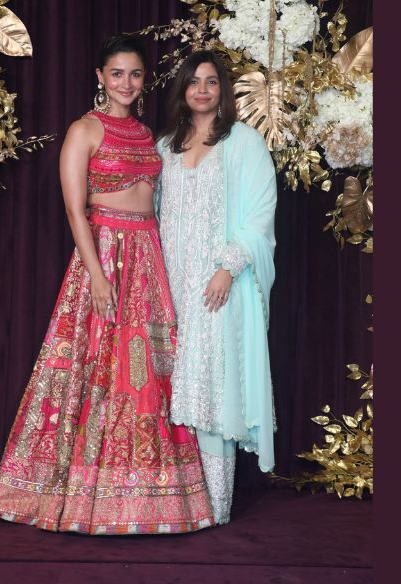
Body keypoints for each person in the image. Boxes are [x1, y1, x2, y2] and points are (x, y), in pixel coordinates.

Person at [0, 35, 214, 534]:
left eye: (135, 74)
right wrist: (96, 273)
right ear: (100, 77)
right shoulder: (84, 130)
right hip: (105, 254)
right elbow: (75, 210)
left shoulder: (147, 134)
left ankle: (144, 497)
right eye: (116, 73)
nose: (126, 83)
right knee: (95, 366)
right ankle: (77, 492)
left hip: (148, 255)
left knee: (145, 370)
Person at [156, 50, 277, 525]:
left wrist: (229, 267)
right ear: (182, 90)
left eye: (211, 82)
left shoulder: (243, 142)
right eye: (194, 82)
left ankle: (217, 505)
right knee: (174, 387)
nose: (202, 90)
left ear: (223, 90)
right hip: (172, 281)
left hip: (217, 286)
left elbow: (261, 210)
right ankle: (178, 501)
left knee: (214, 386)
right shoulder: (165, 146)